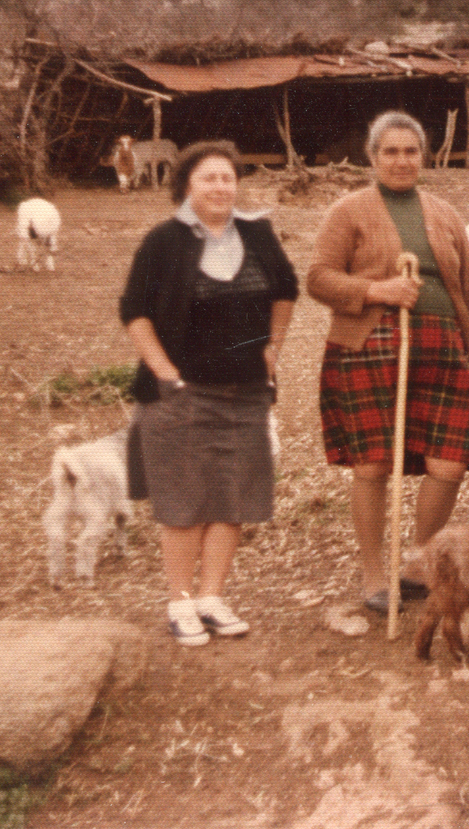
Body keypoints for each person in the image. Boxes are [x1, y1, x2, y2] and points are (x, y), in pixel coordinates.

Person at [120, 140, 299, 646]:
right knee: (184, 501)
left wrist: (273, 351)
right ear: (186, 186)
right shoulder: (163, 240)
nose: (221, 187)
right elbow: (134, 310)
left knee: (232, 497)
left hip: (246, 392)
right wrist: (163, 371)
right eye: (208, 178)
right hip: (181, 394)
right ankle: (180, 601)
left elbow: (287, 289)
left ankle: (212, 597)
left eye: (227, 177)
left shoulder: (258, 233)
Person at [308, 111, 469, 615]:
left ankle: (417, 562)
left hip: (441, 347)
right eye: (391, 152)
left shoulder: (445, 213)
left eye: (411, 152)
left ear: (423, 157)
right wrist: (375, 290)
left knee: (449, 462)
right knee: (373, 465)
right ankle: (371, 575)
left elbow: (467, 288)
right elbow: (318, 278)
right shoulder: (349, 210)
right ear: (373, 157)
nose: (402, 161)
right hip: (370, 345)